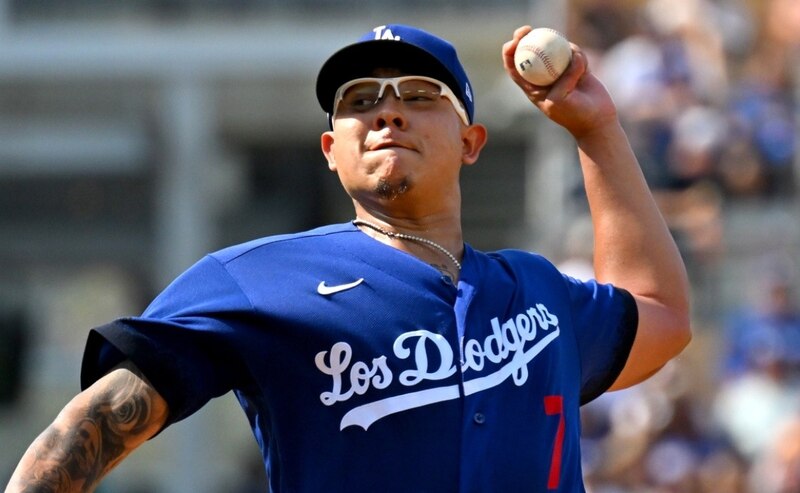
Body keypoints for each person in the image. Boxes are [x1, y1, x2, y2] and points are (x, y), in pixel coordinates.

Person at [5, 23, 691, 492]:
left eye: (420, 97)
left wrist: (596, 128)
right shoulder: (254, 281)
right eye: (360, 101)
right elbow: (85, 428)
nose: (387, 113)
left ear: (472, 140)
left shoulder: (536, 291)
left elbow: (660, 316)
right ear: (332, 152)